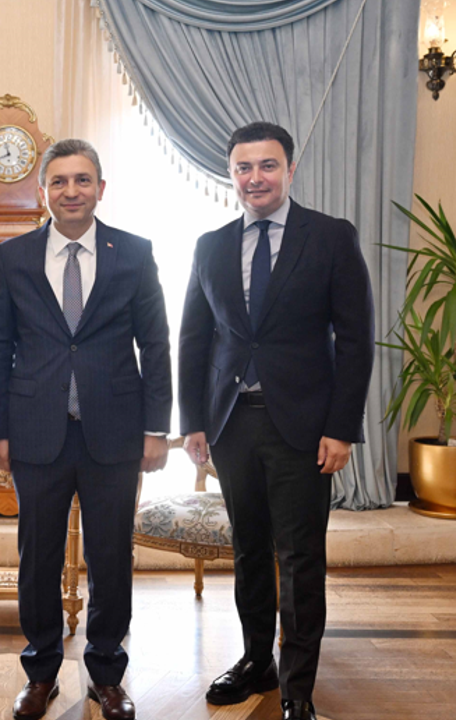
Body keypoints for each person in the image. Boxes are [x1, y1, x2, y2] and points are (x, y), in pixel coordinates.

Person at [179, 122, 374, 720]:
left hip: (305, 429)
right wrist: (193, 421)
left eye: (267, 166)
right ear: (231, 174)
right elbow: (194, 337)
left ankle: (297, 686)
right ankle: (256, 661)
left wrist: (342, 428)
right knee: (247, 550)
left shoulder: (331, 237)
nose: (255, 178)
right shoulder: (211, 245)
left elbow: (356, 340)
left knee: (300, 557)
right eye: (244, 167)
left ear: (290, 170)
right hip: (233, 425)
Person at [0, 139, 172, 720]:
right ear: (44, 190)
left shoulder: (134, 253)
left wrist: (157, 429)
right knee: (37, 559)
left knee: (111, 557)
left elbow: (156, 343)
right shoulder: (14, 256)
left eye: (82, 180)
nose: (71, 191)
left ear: (100, 188)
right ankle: (40, 672)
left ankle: (107, 674)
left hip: (114, 433)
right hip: (35, 430)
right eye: (60, 181)